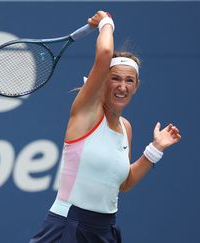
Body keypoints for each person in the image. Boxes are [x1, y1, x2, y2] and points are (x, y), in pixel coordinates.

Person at [29, 10, 182, 243]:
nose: (122, 86)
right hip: (68, 226)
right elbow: (104, 53)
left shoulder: (125, 127)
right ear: (102, 81)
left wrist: (154, 150)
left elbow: (122, 184)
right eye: (115, 78)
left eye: (129, 80)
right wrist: (106, 23)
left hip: (105, 231)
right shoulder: (87, 111)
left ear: (136, 86)